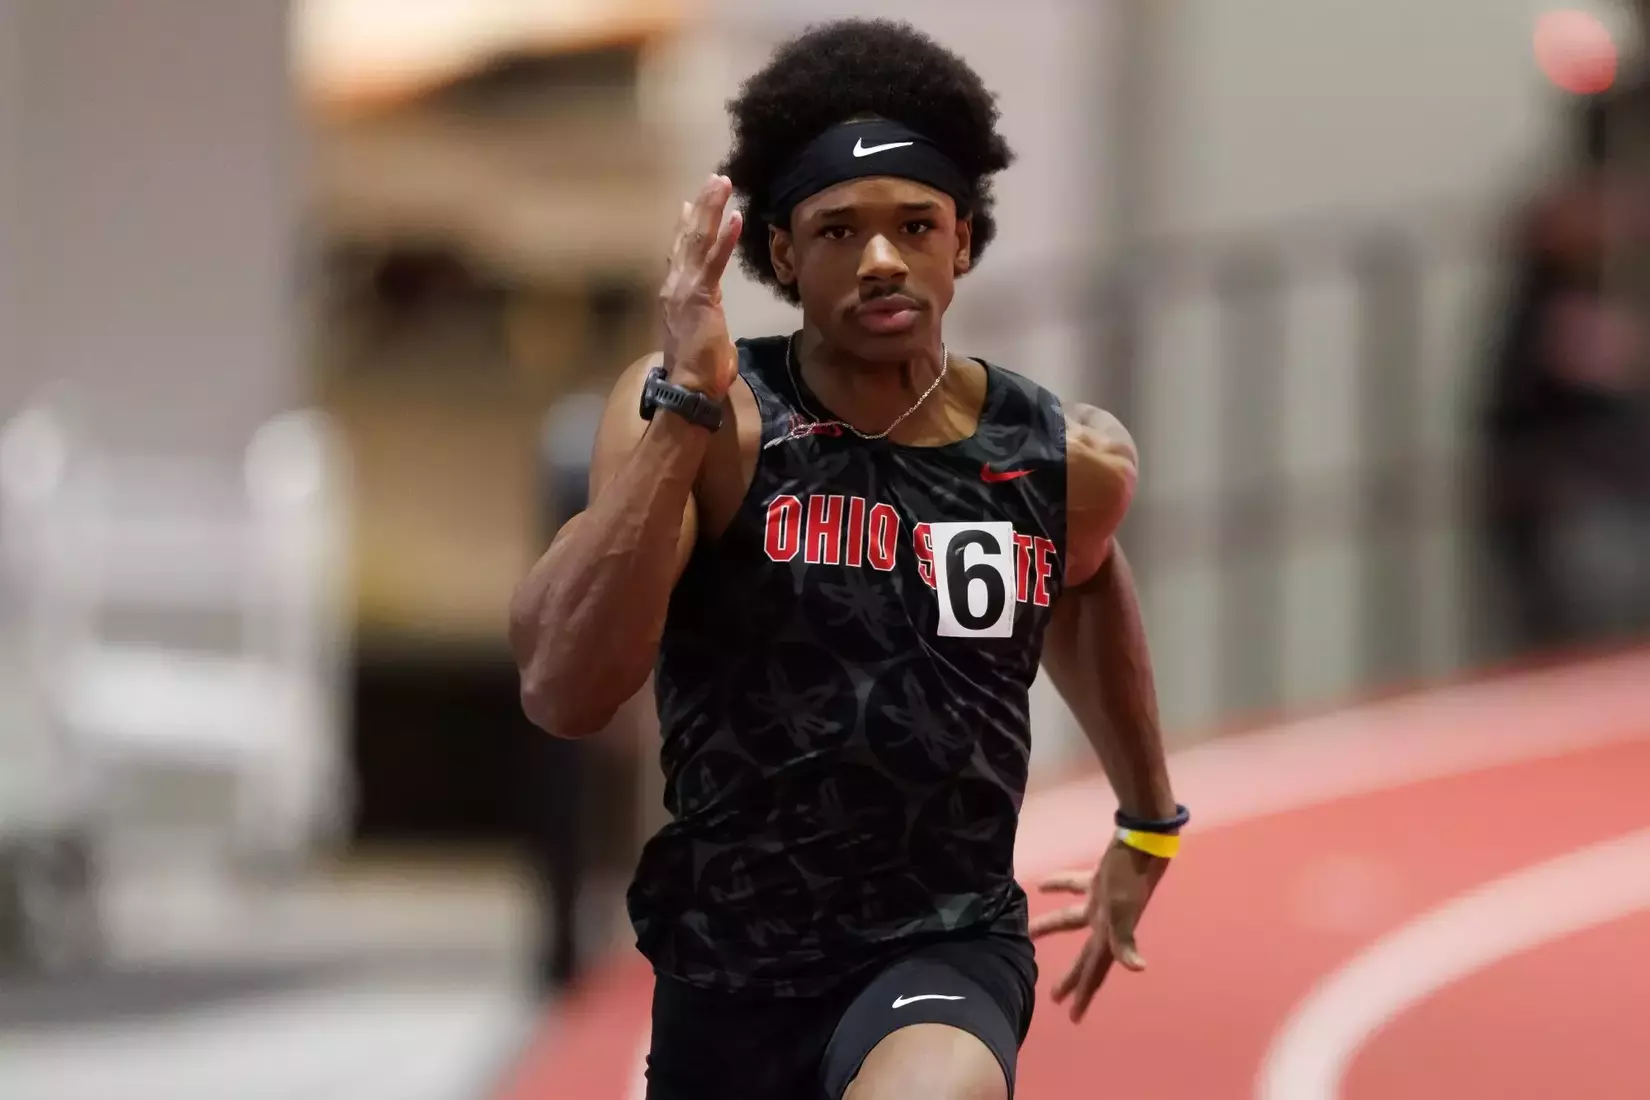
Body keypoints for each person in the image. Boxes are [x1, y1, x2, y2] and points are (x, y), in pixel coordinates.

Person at [508, 19, 1183, 1100]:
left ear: (963, 242)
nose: (881, 260)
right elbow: (562, 687)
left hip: (942, 941)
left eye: (915, 225)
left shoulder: (1061, 457)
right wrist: (683, 407)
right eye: (838, 230)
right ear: (782, 253)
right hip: (728, 964)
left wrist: (1149, 819)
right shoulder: (711, 421)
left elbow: (1087, 577)